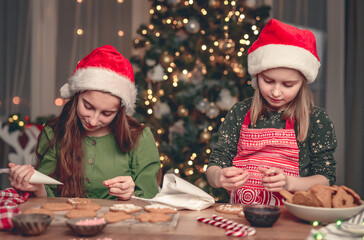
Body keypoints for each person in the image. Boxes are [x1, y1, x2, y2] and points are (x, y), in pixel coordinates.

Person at [206, 19, 337, 205]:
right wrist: (219, 176)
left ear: (302, 83)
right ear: (257, 75)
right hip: (241, 214)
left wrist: (290, 182)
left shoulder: (316, 119)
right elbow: (216, 163)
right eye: (268, 81)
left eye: (288, 85)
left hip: (292, 217)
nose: (276, 92)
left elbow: (326, 178)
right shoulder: (240, 112)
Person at [8, 45, 160, 200]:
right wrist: (37, 187)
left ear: (120, 111)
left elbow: (150, 198)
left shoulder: (139, 138)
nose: (93, 121)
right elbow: (47, 196)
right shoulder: (54, 132)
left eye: (107, 113)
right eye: (88, 106)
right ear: (76, 96)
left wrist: (130, 195)